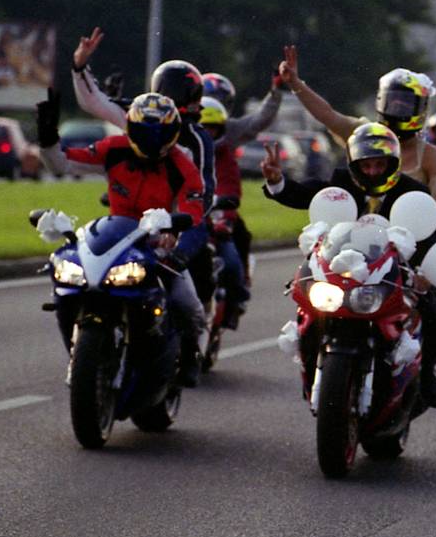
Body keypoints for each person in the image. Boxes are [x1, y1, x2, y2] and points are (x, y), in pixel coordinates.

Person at [277, 45, 436, 366]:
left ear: (420, 109)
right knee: (312, 284)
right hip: (354, 241)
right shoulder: (364, 134)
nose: (399, 109)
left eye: (407, 103)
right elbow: (328, 115)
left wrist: (433, 256)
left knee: (435, 296)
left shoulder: (429, 156)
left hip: (404, 248)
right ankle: (309, 343)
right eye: (394, 101)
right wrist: (295, 83)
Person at [260, 122, 436, 409]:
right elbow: (305, 195)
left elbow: (427, 237)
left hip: (391, 274)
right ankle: (310, 366)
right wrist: (277, 181)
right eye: (366, 165)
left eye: (379, 164)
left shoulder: (414, 193)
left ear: (393, 163)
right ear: (353, 164)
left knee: (432, 309)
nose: (372, 171)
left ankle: (428, 375)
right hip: (341, 272)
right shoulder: (339, 182)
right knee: (306, 303)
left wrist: (424, 274)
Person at [36, 90, 211, 387]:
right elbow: (62, 164)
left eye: (160, 133)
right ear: (130, 128)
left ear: (173, 134)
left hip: (155, 244)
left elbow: (194, 211)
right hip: (114, 236)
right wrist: (47, 138)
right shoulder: (113, 148)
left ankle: (191, 353)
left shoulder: (183, 164)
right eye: (144, 132)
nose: (151, 140)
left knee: (187, 301)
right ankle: (78, 349)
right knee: (69, 281)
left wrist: (175, 235)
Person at [69, 27, 217, 359]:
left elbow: (205, 194)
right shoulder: (138, 116)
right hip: (128, 221)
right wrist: (79, 65)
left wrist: (175, 228)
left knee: (181, 286)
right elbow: (95, 100)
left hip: (177, 224)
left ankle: (193, 348)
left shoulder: (198, 141)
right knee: (86, 269)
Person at [202, 70, 285, 285]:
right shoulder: (178, 138)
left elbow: (260, 119)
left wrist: (276, 91)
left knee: (238, 243)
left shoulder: (227, 143)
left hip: (219, 209)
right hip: (187, 209)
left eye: (213, 128)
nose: (207, 132)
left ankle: (240, 288)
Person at [199, 96, 251, 328]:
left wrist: (224, 218)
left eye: (212, 128)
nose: (208, 133)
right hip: (189, 223)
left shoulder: (224, 156)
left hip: (216, 222)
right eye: (203, 128)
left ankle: (236, 300)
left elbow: (230, 187)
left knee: (230, 262)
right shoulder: (180, 151)